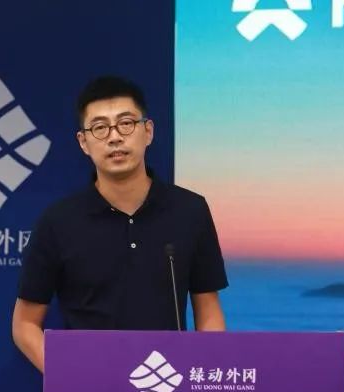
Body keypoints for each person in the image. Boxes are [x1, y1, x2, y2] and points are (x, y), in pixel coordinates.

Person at [12, 76, 228, 372]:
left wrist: (203, 379)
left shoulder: (190, 210)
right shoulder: (58, 221)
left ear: (148, 131)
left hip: (168, 384)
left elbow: (209, 311)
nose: (114, 137)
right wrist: (69, 378)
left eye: (126, 123)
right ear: (83, 142)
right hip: (91, 385)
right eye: (100, 128)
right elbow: (25, 324)